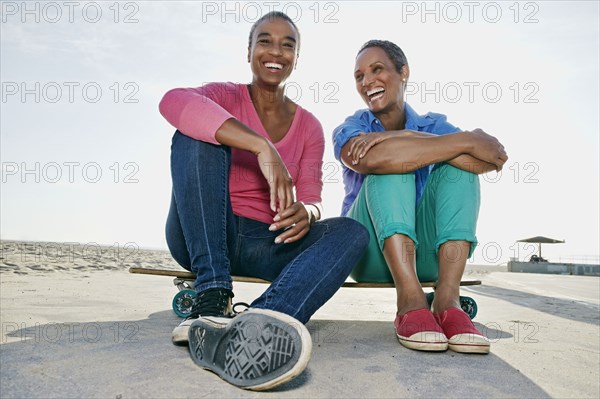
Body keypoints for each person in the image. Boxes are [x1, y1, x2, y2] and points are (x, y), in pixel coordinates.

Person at [159, 12, 369, 390]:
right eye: (265, 41)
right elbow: (172, 101)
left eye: (287, 44)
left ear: (296, 57)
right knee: (195, 135)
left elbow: (312, 198)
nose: (276, 51)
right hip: (203, 232)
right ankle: (212, 294)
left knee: (351, 231)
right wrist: (260, 145)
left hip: (268, 243)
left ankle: (261, 318)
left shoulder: (309, 126)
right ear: (250, 51)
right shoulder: (224, 95)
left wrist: (307, 213)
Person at [332, 40, 508, 354]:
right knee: (392, 165)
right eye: (359, 76)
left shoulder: (434, 125)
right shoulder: (352, 127)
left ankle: (447, 301)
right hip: (368, 252)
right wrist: (464, 141)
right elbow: (371, 160)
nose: (367, 81)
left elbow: (487, 161)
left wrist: (399, 137)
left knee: (458, 172)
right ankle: (410, 302)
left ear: (403, 72)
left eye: (377, 69)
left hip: (427, 258)